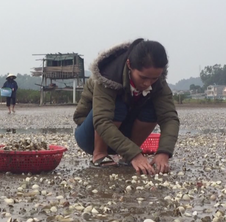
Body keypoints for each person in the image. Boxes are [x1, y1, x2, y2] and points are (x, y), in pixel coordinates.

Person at [73, 39, 179, 175]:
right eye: (143, 77)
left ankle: (126, 156)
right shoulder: (107, 76)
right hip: (90, 135)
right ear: (129, 65)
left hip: (121, 136)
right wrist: (135, 155)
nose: (148, 83)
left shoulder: (159, 84)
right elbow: (101, 121)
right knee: (118, 105)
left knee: (153, 108)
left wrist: (164, 152)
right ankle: (99, 154)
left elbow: (169, 117)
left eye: (154, 79)